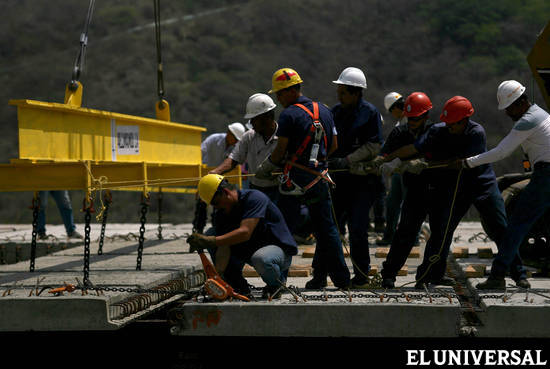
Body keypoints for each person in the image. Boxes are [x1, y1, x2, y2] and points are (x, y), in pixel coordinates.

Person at [384, 95, 528, 289]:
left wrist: (425, 165)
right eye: (448, 124)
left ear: (465, 120)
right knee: (442, 232)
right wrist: (388, 159)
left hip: (482, 185)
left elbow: (460, 163)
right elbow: (415, 148)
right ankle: (427, 276)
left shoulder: (476, 133)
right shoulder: (438, 130)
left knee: (500, 229)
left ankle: (519, 275)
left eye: (453, 125)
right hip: (457, 188)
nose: (449, 128)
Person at [256, 67, 351, 289]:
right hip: (319, 178)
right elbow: (335, 145)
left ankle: (278, 280)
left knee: (283, 228)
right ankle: (335, 279)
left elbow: (280, 151)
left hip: (295, 181)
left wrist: (267, 167)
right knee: (326, 230)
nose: (278, 99)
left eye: (279, 94)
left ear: (290, 91)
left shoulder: (289, 114)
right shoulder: (325, 111)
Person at [461, 80, 547, 289]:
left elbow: (501, 152)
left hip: (547, 175)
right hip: (544, 172)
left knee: (516, 224)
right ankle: (519, 275)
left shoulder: (527, 121)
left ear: (519, 103)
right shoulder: (542, 114)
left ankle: (498, 276)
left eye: (509, 109)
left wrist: (467, 162)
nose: (508, 114)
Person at [187, 174, 298, 299]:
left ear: (225, 192)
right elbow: (223, 247)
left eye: (215, 202)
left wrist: (211, 241)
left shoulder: (254, 198)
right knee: (213, 234)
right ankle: (236, 284)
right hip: (250, 250)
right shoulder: (222, 213)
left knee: (261, 259)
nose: (216, 207)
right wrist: (219, 277)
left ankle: (276, 285)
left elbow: (245, 232)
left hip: (277, 251)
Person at [327, 66, 384, 288]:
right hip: (339, 181)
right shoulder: (336, 113)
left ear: (356, 92)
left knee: (358, 229)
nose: (339, 96)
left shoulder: (370, 113)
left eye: (343, 92)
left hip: (362, 182)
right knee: (331, 228)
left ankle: (361, 275)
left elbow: (373, 146)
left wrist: (348, 160)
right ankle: (325, 274)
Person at [377, 92, 434, 288]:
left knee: (440, 234)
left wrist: (424, 162)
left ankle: (428, 275)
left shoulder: (436, 132)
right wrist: (384, 163)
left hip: (437, 188)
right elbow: (385, 154)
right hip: (415, 189)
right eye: (409, 118)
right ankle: (389, 273)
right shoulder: (400, 133)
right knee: (405, 233)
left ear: (426, 116)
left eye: (416, 118)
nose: (412, 122)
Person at [210, 94, 280, 204]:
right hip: (256, 190)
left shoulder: (283, 137)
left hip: (279, 192)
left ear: (267, 117)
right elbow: (234, 159)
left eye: (254, 119)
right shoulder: (249, 137)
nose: (251, 123)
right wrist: (215, 172)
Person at [192, 122, 246, 233]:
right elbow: (200, 153)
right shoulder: (214, 139)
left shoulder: (236, 147)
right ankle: (198, 230)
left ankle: (217, 230)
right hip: (207, 176)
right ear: (229, 133)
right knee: (202, 204)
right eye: (235, 138)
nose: (236, 141)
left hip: (222, 180)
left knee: (219, 204)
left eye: (237, 140)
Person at [377, 92, 408, 246]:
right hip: (399, 171)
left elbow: (404, 152)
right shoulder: (400, 124)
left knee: (408, 207)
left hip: (407, 170)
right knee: (392, 203)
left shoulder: (409, 122)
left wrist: (388, 165)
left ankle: (410, 238)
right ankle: (389, 236)